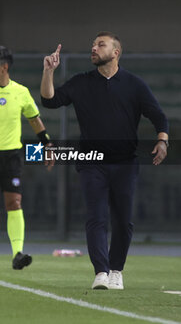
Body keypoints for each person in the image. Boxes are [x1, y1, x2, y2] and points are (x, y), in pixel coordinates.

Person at [40, 32, 169, 289]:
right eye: (93, 44)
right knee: (96, 216)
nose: (94, 48)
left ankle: (116, 270)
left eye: (101, 44)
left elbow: (158, 116)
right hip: (91, 162)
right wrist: (48, 72)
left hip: (125, 163)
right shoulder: (81, 82)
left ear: (116, 52)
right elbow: (49, 101)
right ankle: (100, 272)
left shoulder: (134, 84)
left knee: (123, 220)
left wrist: (162, 140)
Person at [0, 46, 53, 270]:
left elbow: (34, 119)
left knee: (14, 202)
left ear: (4, 66)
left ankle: (18, 254)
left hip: (11, 156)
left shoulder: (20, 92)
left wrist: (47, 144)